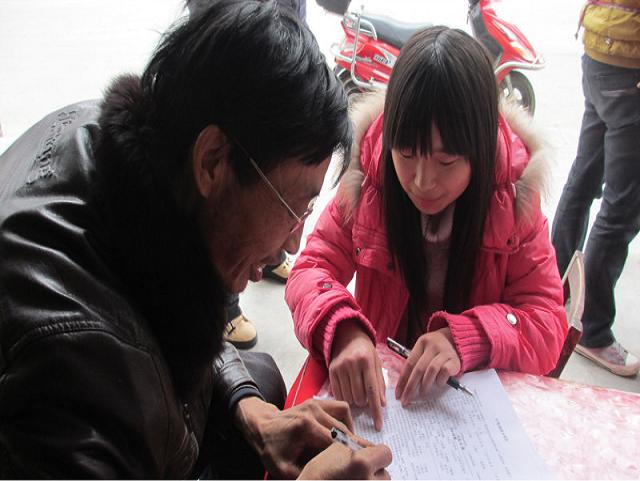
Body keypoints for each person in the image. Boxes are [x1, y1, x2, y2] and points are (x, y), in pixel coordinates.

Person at [0, 1, 392, 478]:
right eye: (294, 209)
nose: (293, 244)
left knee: (260, 380)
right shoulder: (76, 367)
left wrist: (248, 407)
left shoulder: (111, 141)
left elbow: (178, 302)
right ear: (212, 162)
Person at [286, 26, 568, 431]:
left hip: (466, 413)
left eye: (446, 161)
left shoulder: (514, 197)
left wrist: (466, 338)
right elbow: (311, 269)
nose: (422, 181)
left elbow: (546, 323)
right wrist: (344, 327)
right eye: (406, 153)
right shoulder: (369, 181)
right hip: (385, 403)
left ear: (481, 148)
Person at [552, 1, 640, 378]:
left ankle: (552, 292)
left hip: (601, 51)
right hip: (628, 61)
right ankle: (593, 329)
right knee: (622, 207)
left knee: (584, 179)